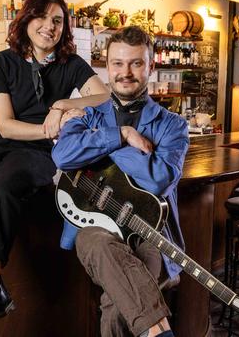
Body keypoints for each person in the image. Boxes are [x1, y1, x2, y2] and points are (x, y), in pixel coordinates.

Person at [0, 0, 108, 337]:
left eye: (57, 20)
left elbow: (105, 96)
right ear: (26, 19)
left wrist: (63, 103)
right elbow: (4, 124)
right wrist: (47, 128)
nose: (49, 26)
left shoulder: (72, 65)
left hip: (42, 153)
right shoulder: (2, 62)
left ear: (65, 28)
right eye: (41, 16)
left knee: (5, 187)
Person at [52, 26, 189, 337]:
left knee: (118, 302)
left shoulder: (173, 125)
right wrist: (123, 136)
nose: (125, 73)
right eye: (117, 63)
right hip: (94, 222)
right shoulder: (86, 114)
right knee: (96, 242)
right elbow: (62, 156)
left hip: (150, 231)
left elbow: (158, 179)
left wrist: (99, 147)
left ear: (151, 66)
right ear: (106, 67)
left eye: (136, 63)